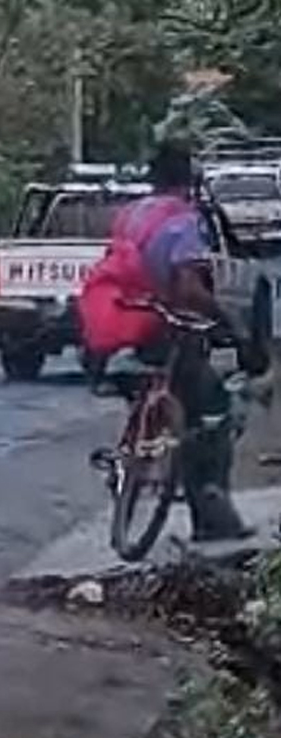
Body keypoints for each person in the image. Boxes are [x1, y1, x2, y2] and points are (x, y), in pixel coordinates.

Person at [108, 141, 252, 542]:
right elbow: (189, 287)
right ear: (189, 180)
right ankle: (212, 514)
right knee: (215, 411)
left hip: (130, 326)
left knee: (164, 406)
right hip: (172, 330)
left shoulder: (129, 215)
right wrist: (228, 321)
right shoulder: (184, 221)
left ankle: (139, 455)